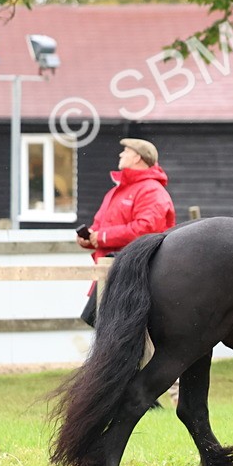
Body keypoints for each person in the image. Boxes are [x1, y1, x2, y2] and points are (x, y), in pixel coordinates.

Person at [78, 138, 176, 326]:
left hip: (135, 275)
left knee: (117, 329)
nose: (121, 154)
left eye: (126, 151)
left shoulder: (152, 191)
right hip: (113, 271)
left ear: (137, 157)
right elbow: (99, 225)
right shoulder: (117, 191)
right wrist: (90, 238)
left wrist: (103, 237)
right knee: (102, 325)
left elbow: (146, 230)